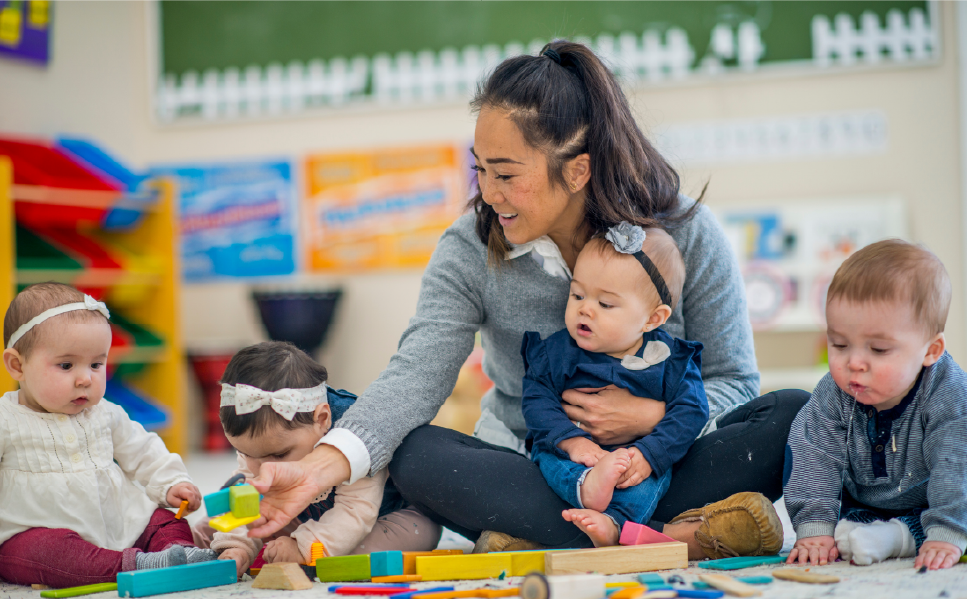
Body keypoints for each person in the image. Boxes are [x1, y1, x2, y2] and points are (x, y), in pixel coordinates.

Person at [244, 40, 809, 561]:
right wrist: (323, 465)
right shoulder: (468, 247)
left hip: (667, 459)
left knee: (789, 414)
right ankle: (673, 537)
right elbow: (416, 374)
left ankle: (550, 537)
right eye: (481, 170)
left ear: (578, 169)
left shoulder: (684, 232)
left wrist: (654, 420)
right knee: (415, 455)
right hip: (537, 469)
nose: (489, 193)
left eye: (507, 174)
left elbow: (734, 380)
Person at [0, 282, 216, 588]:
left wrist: (172, 483)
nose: (85, 378)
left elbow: (143, 450)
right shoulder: (3, 420)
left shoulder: (106, 413)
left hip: (118, 521)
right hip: (37, 530)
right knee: (40, 553)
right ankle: (136, 564)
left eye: (97, 364)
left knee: (164, 519)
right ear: (17, 365)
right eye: (66, 365)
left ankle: (177, 553)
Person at [785, 240, 967, 571]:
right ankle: (872, 532)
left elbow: (956, 466)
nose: (854, 362)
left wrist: (947, 531)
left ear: (931, 350)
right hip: (863, 501)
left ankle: (903, 537)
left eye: (879, 350)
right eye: (839, 345)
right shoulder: (834, 392)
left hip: (937, 501)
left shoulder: (948, 395)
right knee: (838, 521)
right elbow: (814, 456)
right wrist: (815, 528)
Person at [523, 224, 707, 546]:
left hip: (635, 455)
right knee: (547, 458)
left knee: (648, 481)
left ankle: (613, 525)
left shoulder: (670, 360)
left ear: (653, 318)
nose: (584, 308)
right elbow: (537, 400)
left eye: (605, 304)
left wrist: (649, 454)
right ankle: (586, 488)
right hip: (572, 453)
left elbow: (692, 411)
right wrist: (572, 442)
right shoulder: (557, 353)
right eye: (577, 294)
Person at [198, 342, 440, 576]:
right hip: (306, 515)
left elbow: (356, 511)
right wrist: (236, 545)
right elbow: (245, 497)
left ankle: (307, 554)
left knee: (377, 546)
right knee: (216, 525)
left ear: (322, 419)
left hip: (384, 515)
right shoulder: (265, 450)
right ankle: (180, 546)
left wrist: (302, 546)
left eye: (279, 454)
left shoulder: (354, 433)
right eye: (246, 453)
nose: (263, 467)